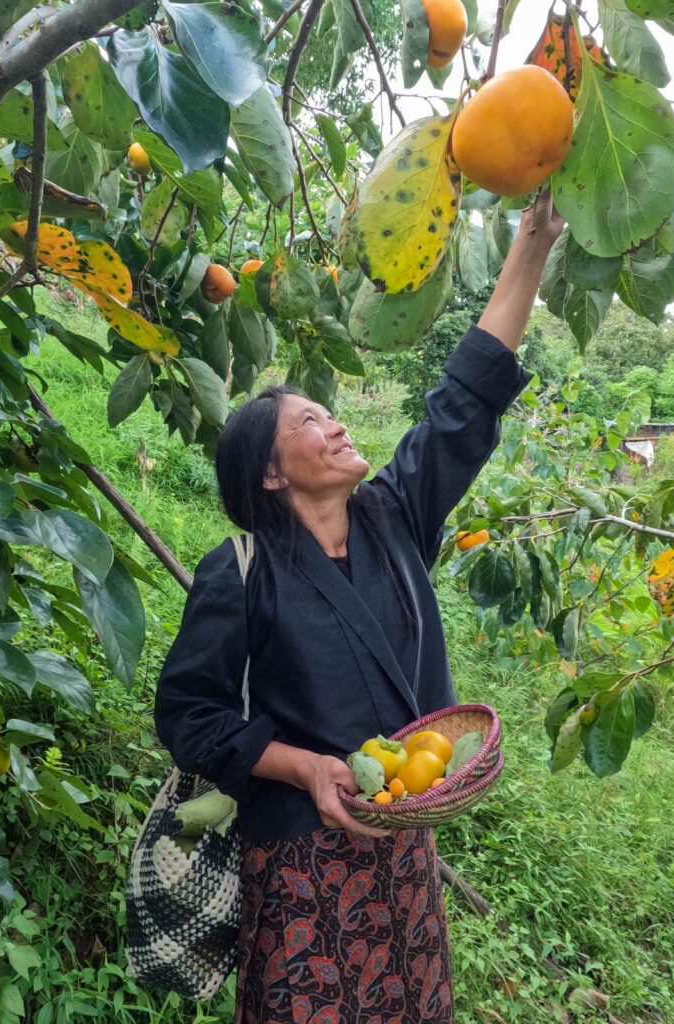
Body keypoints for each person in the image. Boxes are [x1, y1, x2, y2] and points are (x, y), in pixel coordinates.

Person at [154, 196, 564, 1023]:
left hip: (403, 857)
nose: (335, 424)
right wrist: (305, 767)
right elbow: (186, 717)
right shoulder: (240, 574)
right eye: (310, 421)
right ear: (271, 474)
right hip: (302, 871)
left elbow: (462, 405)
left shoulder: (395, 517)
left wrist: (531, 245)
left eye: (328, 412)